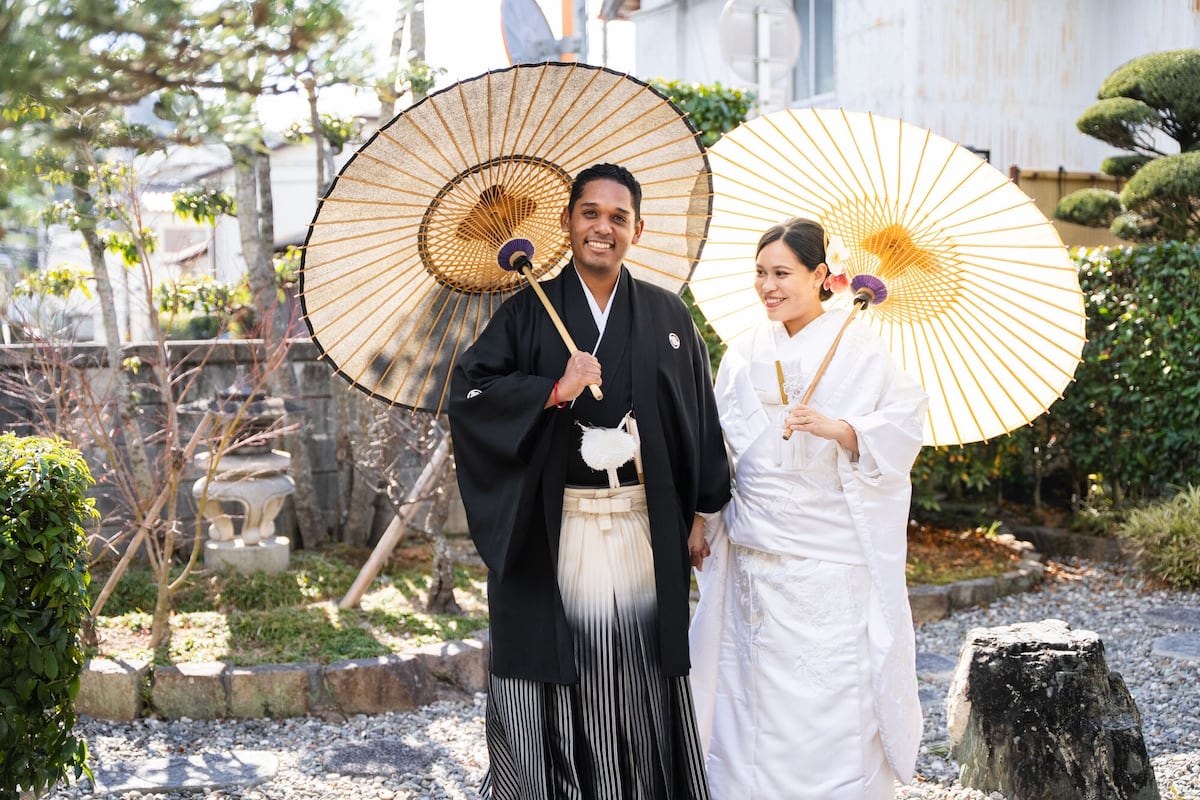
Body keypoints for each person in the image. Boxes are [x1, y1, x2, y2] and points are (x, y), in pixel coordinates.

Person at [448, 163, 731, 800]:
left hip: (639, 523)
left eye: (618, 217)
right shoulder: (526, 314)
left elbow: (697, 417)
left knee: (634, 671)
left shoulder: (666, 314)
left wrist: (698, 514)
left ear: (637, 228)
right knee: (550, 670)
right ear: (567, 222)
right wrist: (551, 389)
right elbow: (469, 394)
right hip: (554, 526)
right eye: (590, 214)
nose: (602, 228)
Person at [688, 217, 928, 799]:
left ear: (821, 276)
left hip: (827, 562)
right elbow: (713, 440)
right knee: (748, 698)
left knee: (829, 701)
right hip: (751, 554)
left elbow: (903, 428)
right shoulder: (744, 351)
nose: (768, 286)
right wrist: (702, 517)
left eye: (783, 274)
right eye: (761, 273)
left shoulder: (863, 350)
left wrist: (841, 427)